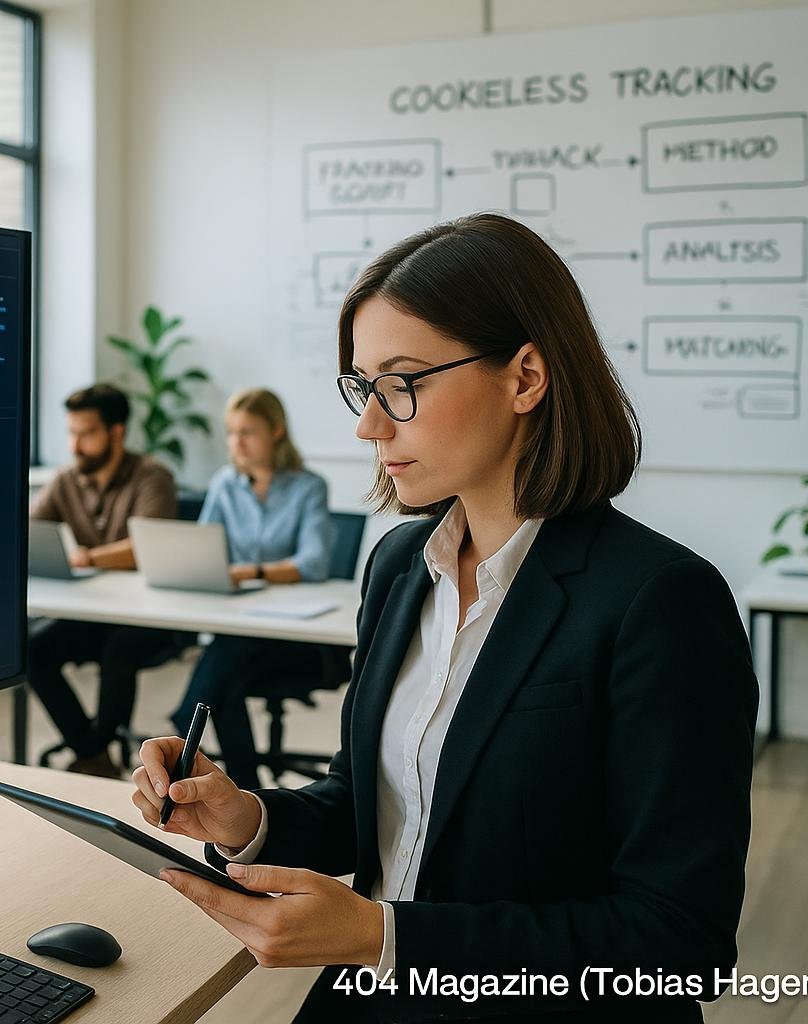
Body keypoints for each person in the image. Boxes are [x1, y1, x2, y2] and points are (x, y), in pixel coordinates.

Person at [131, 214, 757, 1022]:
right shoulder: (400, 566)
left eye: (404, 383)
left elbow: (678, 943)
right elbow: (373, 809)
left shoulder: (660, 601)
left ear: (525, 377)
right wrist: (245, 817)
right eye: (364, 385)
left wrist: (386, 938)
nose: (369, 424)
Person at [168, 387, 334, 790]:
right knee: (226, 678)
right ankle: (249, 789)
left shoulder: (308, 486)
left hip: (292, 635)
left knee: (220, 671)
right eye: (231, 432)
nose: (235, 443)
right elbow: (204, 547)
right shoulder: (226, 484)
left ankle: (187, 728)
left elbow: (313, 563)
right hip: (238, 622)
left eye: (247, 432)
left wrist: (250, 572)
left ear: (276, 431)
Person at [28, 384, 181, 778]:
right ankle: (93, 752)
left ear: (116, 433)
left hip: (150, 619)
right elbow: (27, 531)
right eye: (71, 433)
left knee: (119, 651)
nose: (75, 445)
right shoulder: (66, 480)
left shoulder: (153, 477)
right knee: (31, 649)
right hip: (93, 611)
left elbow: (147, 544)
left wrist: (87, 557)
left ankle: (94, 751)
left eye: (86, 433)